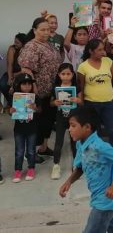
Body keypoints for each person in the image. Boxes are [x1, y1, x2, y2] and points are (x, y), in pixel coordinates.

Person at [18, 17, 63, 163]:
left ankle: (43, 147)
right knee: (35, 123)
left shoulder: (48, 44)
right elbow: (27, 71)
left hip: (50, 91)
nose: (45, 32)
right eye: (42, 30)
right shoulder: (32, 46)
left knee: (47, 121)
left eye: (47, 30)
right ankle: (30, 152)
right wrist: (35, 91)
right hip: (37, 92)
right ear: (34, 30)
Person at [77, 39, 113, 148]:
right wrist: (81, 103)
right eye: (99, 50)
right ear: (91, 51)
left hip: (108, 103)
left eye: (103, 49)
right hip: (91, 104)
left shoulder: (108, 61)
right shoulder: (83, 66)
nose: (103, 52)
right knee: (95, 132)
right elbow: (81, 87)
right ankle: (96, 154)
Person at [50, 63, 82, 179]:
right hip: (60, 118)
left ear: (73, 75)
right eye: (63, 74)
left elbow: (82, 101)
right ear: (59, 75)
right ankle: (56, 166)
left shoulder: (76, 87)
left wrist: (77, 100)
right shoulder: (55, 88)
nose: (66, 76)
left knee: (75, 143)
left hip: (73, 118)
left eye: (68, 74)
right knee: (58, 142)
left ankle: (76, 165)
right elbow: (51, 102)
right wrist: (55, 103)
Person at [9, 73, 39, 183]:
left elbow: (40, 110)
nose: (27, 87)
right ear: (18, 85)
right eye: (24, 84)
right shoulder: (14, 97)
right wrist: (10, 111)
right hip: (19, 130)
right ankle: (18, 171)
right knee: (19, 151)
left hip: (32, 129)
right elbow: (10, 110)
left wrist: (35, 108)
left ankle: (31, 169)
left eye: (29, 84)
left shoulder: (35, 97)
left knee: (31, 151)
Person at [0, 33, 27, 108]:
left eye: (17, 42)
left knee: (20, 86)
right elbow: (9, 64)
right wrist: (10, 77)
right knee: (3, 84)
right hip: (11, 72)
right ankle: (11, 103)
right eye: (15, 41)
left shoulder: (27, 50)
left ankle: (20, 105)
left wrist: (17, 75)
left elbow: (25, 69)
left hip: (23, 73)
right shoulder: (12, 48)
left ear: (23, 43)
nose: (15, 44)